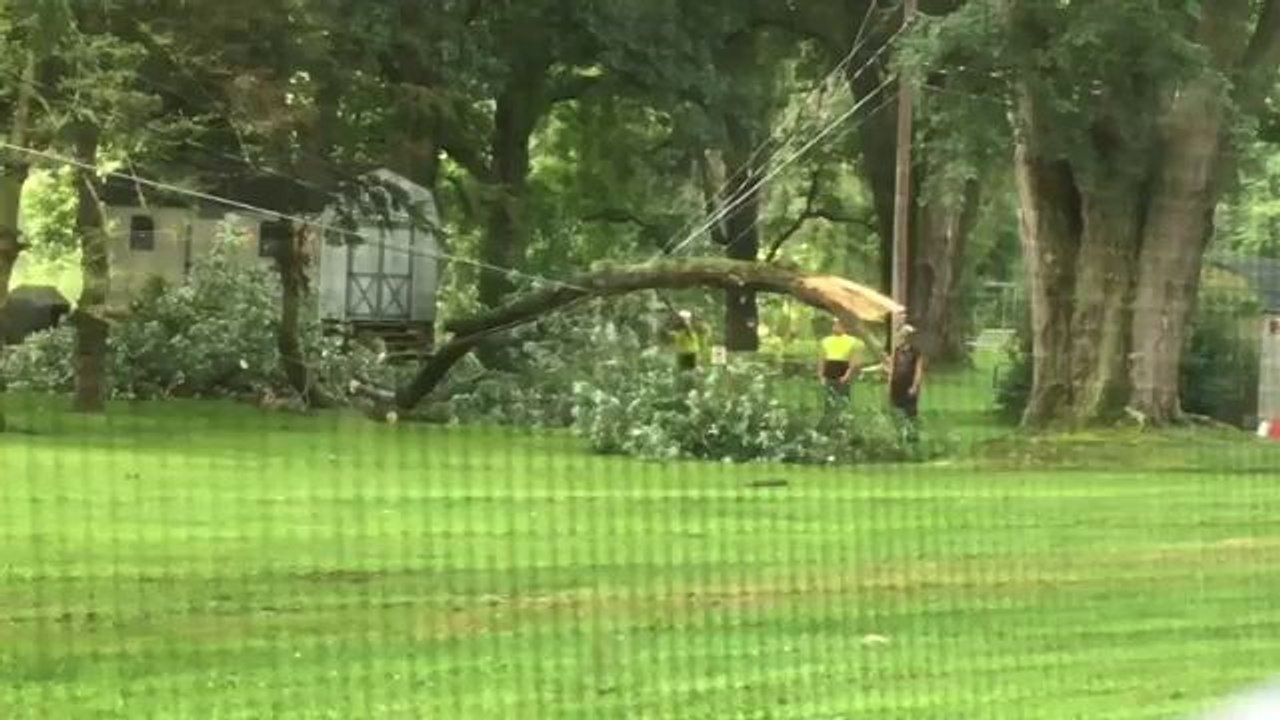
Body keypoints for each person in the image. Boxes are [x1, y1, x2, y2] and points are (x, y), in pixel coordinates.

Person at [818, 319, 864, 408]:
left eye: (839, 325)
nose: (836, 327)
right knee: (829, 399)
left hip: (843, 370)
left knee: (843, 399)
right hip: (829, 371)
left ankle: (844, 416)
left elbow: (854, 361)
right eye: (835, 324)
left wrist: (847, 375)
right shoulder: (825, 341)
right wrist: (821, 376)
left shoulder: (853, 341)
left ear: (845, 327)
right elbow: (822, 360)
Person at [887, 323, 926, 422]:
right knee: (896, 413)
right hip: (896, 385)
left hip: (909, 386)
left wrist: (914, 386)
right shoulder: (897, 350)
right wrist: (889, 384)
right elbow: (892, 368)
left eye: (907, 335)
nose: (904, 337)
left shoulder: (916, 352)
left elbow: (918, 370)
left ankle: (911, 434)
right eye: (903, 334)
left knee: (910, 414)